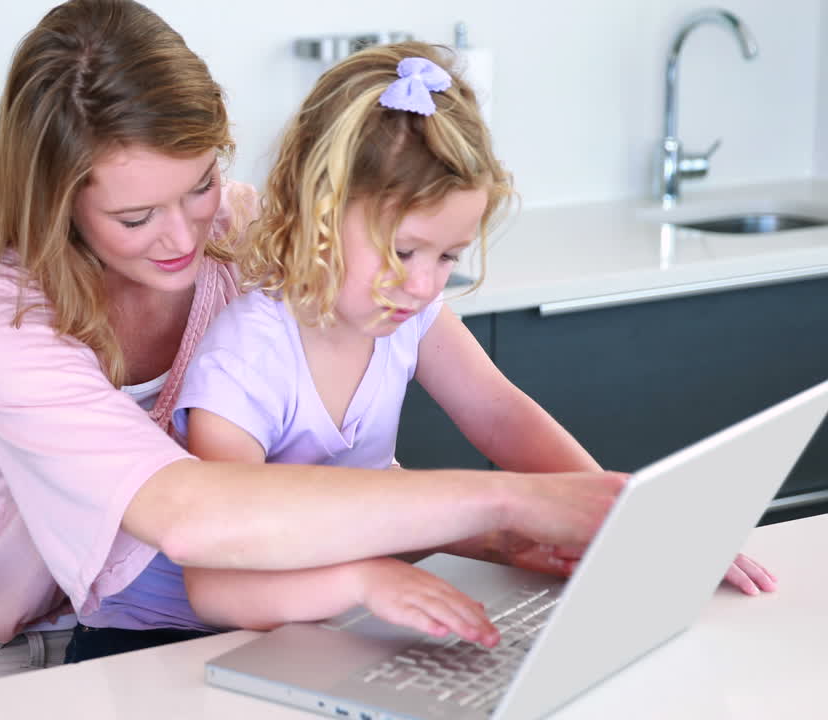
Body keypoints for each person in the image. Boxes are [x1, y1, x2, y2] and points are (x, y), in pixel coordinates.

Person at [0, 0, 625, 688]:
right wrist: (505, 506)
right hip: (25, 653)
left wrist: (608, 525)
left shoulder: (244, 235)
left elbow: (452, 407)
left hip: (238, 620)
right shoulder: (2, 317)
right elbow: (191, 517)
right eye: (136, 215)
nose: (183, 237)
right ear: (57, 203)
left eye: (201, 182)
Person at [166, 42, 778, 636]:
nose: (424, 283)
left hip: (346, 613)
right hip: (223, 635)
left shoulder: (405, 310)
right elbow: (220, 588)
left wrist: (618, 520)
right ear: (317, 211)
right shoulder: (244, 361)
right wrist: (364, 581)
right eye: (402, 250)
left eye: (448, 256)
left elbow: (501, 414)